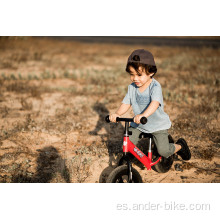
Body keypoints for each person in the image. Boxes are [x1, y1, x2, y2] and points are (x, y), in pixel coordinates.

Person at [109, 49, 191, 160]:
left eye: (139, 75)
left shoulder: (155, 87)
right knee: (127, 142)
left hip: (157, 124)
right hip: (139, 124)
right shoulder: (132, 87)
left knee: (163, 151)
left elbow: (155, 103)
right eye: (132, 74)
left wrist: (143, 115)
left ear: (151, 72)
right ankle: (130, 160)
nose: (135, 78)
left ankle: (180, 146)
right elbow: (126, 103)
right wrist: (117, 114)